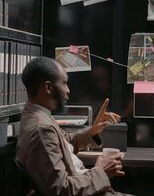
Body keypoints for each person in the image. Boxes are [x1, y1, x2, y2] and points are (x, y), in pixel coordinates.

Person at [16, 57, 127, 196]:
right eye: (64, 83)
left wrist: (93, 131)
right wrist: (101, 171)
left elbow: (64, 142)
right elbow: (62, 190)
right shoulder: (41, 128)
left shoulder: (38, 114)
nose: (68, 90)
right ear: (48, 87)